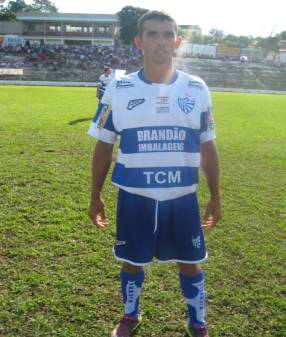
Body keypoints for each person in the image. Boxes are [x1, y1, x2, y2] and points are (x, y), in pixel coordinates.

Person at [88, 10, 221, 337]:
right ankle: (130, 316)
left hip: (182, 197)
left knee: (190, 262)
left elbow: (208, 145)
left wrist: (216, 196)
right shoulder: (119, 88)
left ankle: (198, 321)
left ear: (177, 41)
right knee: (133, 261)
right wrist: (95, 196)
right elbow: (104, 146)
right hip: (135, 196)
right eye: (152, 34)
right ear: (139, 41)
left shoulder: (196, 87)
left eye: (167, 34)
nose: (161, 41)